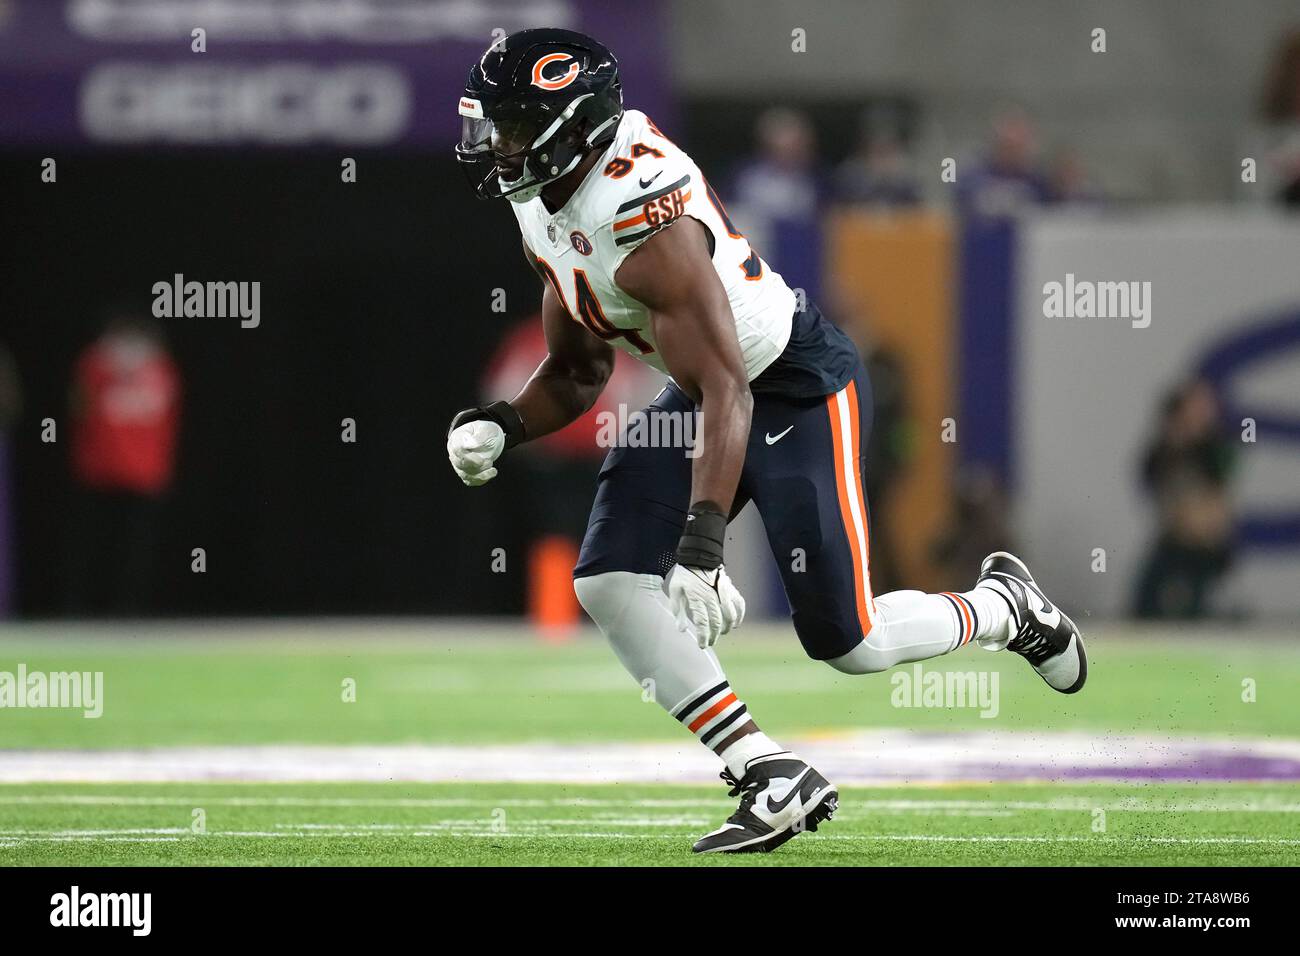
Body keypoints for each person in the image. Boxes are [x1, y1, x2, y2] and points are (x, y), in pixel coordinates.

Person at [447, 29, 1087, 854]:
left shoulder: (640, 210)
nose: (493, 145)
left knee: (848, 642)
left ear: (570, 128)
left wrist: (703, 542)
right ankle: (765, 770)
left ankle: (1006, 610)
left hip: (789, 382)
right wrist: (504, 423)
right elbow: (577, 370)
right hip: (713, 387)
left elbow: (728, 389)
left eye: (508, 126)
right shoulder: (542, 198)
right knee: (608, 580)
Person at [66, 316, 181, 616]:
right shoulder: (95, 365)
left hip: (141, 475)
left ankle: (127, 612)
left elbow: (168, 421)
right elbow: (80, 410)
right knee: (95, 548)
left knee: (133, 552)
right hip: (103, 472)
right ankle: (87, 609)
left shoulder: (159, 368)